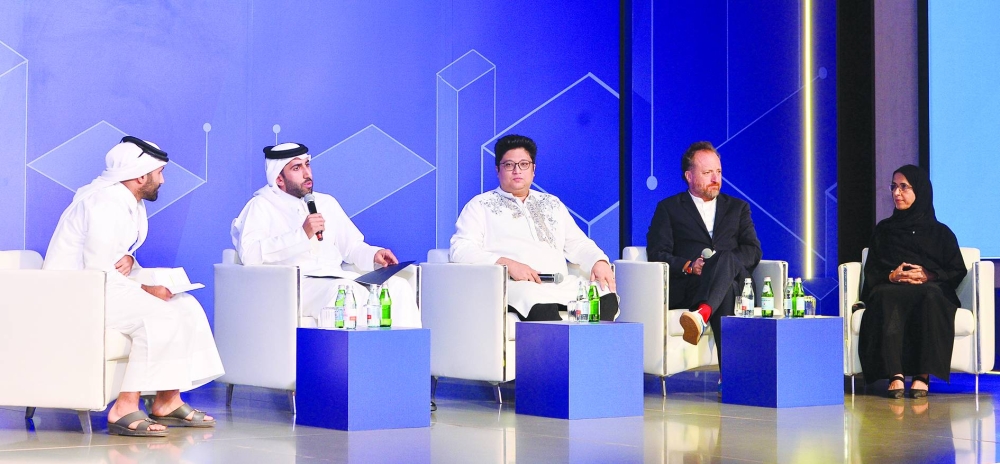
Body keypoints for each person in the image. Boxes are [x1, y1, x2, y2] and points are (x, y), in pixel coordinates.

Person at [43, 137, 224, 437]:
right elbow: (97, 271)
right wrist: (149, 291)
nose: (162, 181)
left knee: (186, 306)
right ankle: (124, 407)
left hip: (102, 285)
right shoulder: (104, 203)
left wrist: (129, 259)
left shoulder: (127, 202)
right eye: (159, 173)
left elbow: (114, 258)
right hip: (77, 293)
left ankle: (168, 399)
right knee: (161, 315)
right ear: (140, 176)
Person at [231, 142, 420, 328]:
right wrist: (302, 235)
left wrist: (373, 255)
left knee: (398, 287)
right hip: (296, 285)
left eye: (307, 165)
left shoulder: (326, 202)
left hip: (336, 277)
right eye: (296, 168)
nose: (307, 173)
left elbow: (352, 246)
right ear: (279, 179)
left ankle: (407, 349)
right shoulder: (261, 206)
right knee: (345, 292)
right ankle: (350, 350)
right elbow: (250, 254)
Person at [450, 134, 618, 321]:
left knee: (605, 296)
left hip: (559, 283)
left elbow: (578, 243)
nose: (517, 171)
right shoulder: (480, 205)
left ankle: (591, 342)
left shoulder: (552, 203)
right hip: (515, 284)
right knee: (537, 302)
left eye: (524, 164)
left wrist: (598, 261)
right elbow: (461, 249)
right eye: (509, 165)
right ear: (498, 170)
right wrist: (508, 265)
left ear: (533, 169)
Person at [857, 165, 967, 399]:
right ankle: (894, 374)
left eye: (903, 187)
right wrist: (891, 276)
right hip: (891, 288)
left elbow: (957, 269)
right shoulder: (884, 230)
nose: (896, 193)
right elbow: (872, 270)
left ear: (920, 191)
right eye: (893, 187)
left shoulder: (940, 233)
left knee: (931, 295)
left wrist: (930, 275)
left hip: (928, 290)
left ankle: (922, 375)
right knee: (885, 295)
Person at [646, 141, 762, 358]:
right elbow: (657, 253)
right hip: (693, 285)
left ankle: (701, 314)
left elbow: (753, 251)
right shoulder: (669, 208)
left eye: (718, 172)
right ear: (689, 176)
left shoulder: (738, 208)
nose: (716, 178)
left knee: (724, 261)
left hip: (739, 284)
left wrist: (721, 263)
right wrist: (689, 266)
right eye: (708, 173)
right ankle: (729, 372)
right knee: (726, 289)